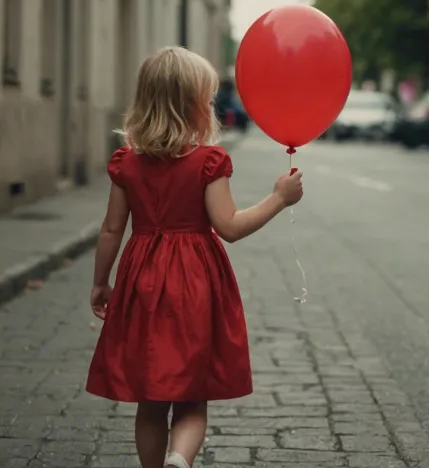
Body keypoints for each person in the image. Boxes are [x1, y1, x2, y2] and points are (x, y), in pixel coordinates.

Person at [85, 46, 305, 468]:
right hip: (195, 284)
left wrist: (101, 281)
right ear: (193, 108)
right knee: (191, 396)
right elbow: (230, 227)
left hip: (141, 281)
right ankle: (180, 461)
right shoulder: (209, 162)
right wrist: (279, 198)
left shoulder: (127, 164)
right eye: (207, 100)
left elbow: (112, 228)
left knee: (150, 400)